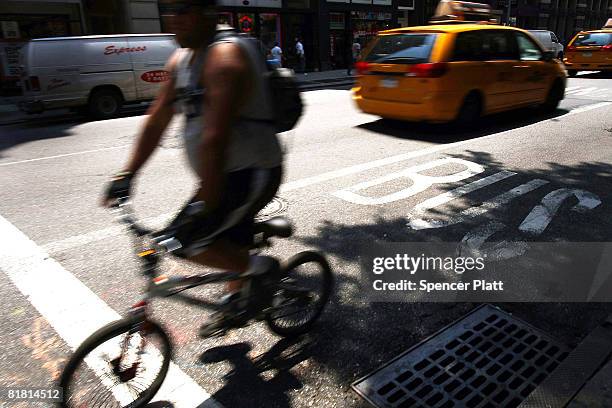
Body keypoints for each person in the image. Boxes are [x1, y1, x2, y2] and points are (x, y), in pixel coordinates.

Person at [102, 0, 283, 337]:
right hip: (222, 174)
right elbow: (156, 121)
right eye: (169, 9)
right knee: (226, 239)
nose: (174, 18)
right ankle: (237, 304)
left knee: (186, 242)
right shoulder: (182, 60)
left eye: (184, 8)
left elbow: (215, 139)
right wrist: (126, 175)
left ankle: (263, 269)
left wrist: (203, 207)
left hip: (251, 171)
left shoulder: (224, 58)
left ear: (209, 13)